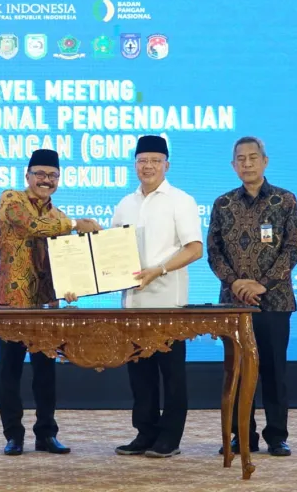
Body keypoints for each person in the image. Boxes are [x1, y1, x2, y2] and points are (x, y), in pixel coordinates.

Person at [0, 148, 101, 456]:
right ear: (27, 176)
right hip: (12, 303)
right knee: (10, 372)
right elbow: (32, 226)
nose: (46, 180)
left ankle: (46, 434)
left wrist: (73, 286)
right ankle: (13, 436)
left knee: (45, 373)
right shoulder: (11, 200)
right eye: (40, 174)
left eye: (53, 175)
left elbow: (67, 263)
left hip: (46, 305)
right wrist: (76, 224)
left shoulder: (60, 217)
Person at [206, 136, 297, 457]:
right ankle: (241, 435)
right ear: (233, 166)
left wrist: (262, 284)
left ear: (265, 161)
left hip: (275, 301)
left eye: (252, 157)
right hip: (233, 304)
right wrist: (235, 282)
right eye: (240, 159)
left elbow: (293, 248)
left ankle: (277, 436)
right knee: (237, 371)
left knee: (274, 371)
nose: (247, 164)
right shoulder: (222, 204)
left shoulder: (284, 200)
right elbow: (213, 251)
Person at [111, 135, 203, 458]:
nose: (147, 166)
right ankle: (145, 432)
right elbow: (111, 252)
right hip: (133, 304)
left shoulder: (181, 200)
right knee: (140, 375)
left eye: (154, 161)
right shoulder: (125, 203)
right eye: (142, 161)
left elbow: (194, 249)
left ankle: (170, 438)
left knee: (172, 375)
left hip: (168, 304)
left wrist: (158, 270)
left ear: (167, 165)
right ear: (134, 165)